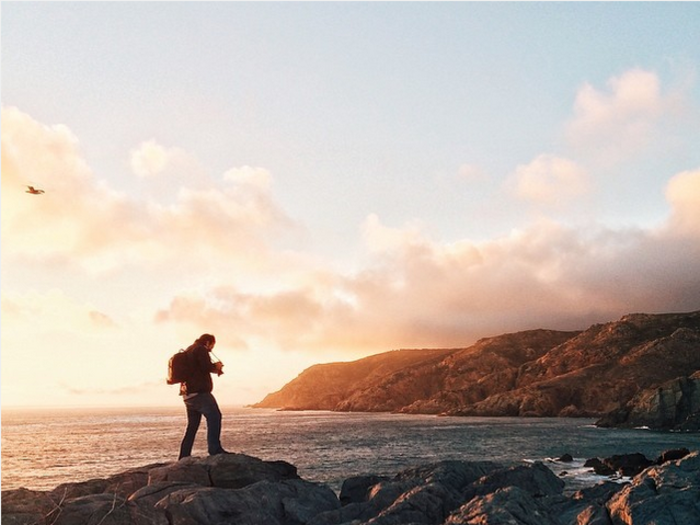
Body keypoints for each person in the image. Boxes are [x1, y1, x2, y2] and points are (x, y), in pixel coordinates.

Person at [178, 333, 229, 459]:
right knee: (215, 416)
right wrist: (216, 367)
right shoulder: (201, 349)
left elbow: (198, 368)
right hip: (200, 393)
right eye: (212, 345)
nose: (212, 349)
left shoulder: (189, 349)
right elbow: (205, 367)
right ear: (208, 342)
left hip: (188, 395)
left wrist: (214, 368)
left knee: (192, 426)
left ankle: (184, 455)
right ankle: (214, 449)